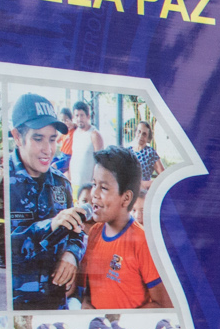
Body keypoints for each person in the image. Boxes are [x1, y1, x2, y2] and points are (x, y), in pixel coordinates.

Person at [9, 95, 87, 310]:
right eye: (38, 138)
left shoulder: (61, 182)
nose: (48, 149)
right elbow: (2, 250)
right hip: (18, 306)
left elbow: (77, 230)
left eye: (52, 139)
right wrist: (50, 226)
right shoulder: (2, 183)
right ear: (17, 136)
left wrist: (72, 254)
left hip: (55, 303)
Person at [80, 147, 170, 309]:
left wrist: (124, 322)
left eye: (104, 188)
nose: (94, 193)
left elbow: (164, 304)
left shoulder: (143, 241)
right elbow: (90, 290)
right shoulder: (94, 233)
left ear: (126, 198)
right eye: (94, 184)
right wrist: (86, 305)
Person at [66, 101, 103, 195]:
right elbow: (73, 157)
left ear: (88, 116)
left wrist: (95, 183)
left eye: (82, 115)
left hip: (88, 187)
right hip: (74, 184)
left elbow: (101, 162)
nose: (79, 119)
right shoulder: (75, 133)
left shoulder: (94, 134)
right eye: (76, 115)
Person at [131, 119, 163, 187]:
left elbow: (163, 175)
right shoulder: (127, 151)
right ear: (135, 133)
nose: (141, 136)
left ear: (148, 138)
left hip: (143, 193)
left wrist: (147, 184)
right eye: (139, 132)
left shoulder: (150, 153)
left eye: (144, 134)